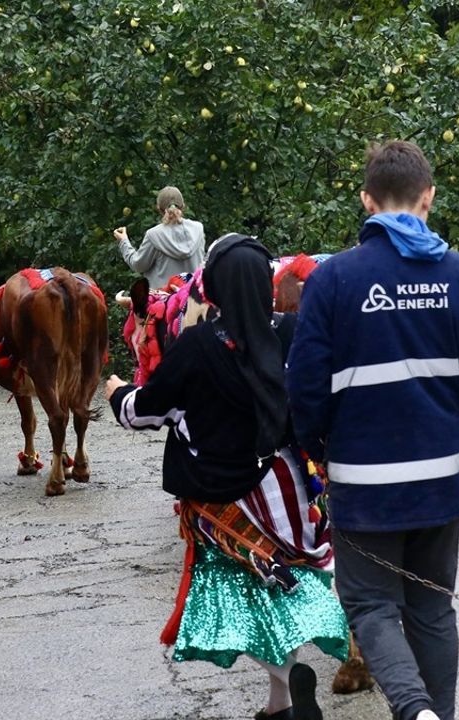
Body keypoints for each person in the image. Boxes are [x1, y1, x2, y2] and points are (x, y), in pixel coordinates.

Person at [285, 140, 459, 720]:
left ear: (366, 201)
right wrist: (447, 416)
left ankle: (414, 711)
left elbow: (305, 387)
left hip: (362, 480)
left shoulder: (333, 282)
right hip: (438, 478)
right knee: (433, 610)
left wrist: (320, 449)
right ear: (429, 197)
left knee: (371, 605)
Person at [105, 233, 349, 720]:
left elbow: (146, 413)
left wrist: (118, 392)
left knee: (228, 603)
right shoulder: (293, 331)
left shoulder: (197, 345)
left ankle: (284, 680)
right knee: (290, 585)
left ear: (212, 287)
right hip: (289, 489)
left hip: (223, 498)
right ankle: (281, 701)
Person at [113, 185, 206, 288]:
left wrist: (124, 242)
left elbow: (138, 265)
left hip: (164, 301)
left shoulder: (153, 235)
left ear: (159, 208)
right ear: (183, 206)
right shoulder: (198, 229)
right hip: (195, 300)